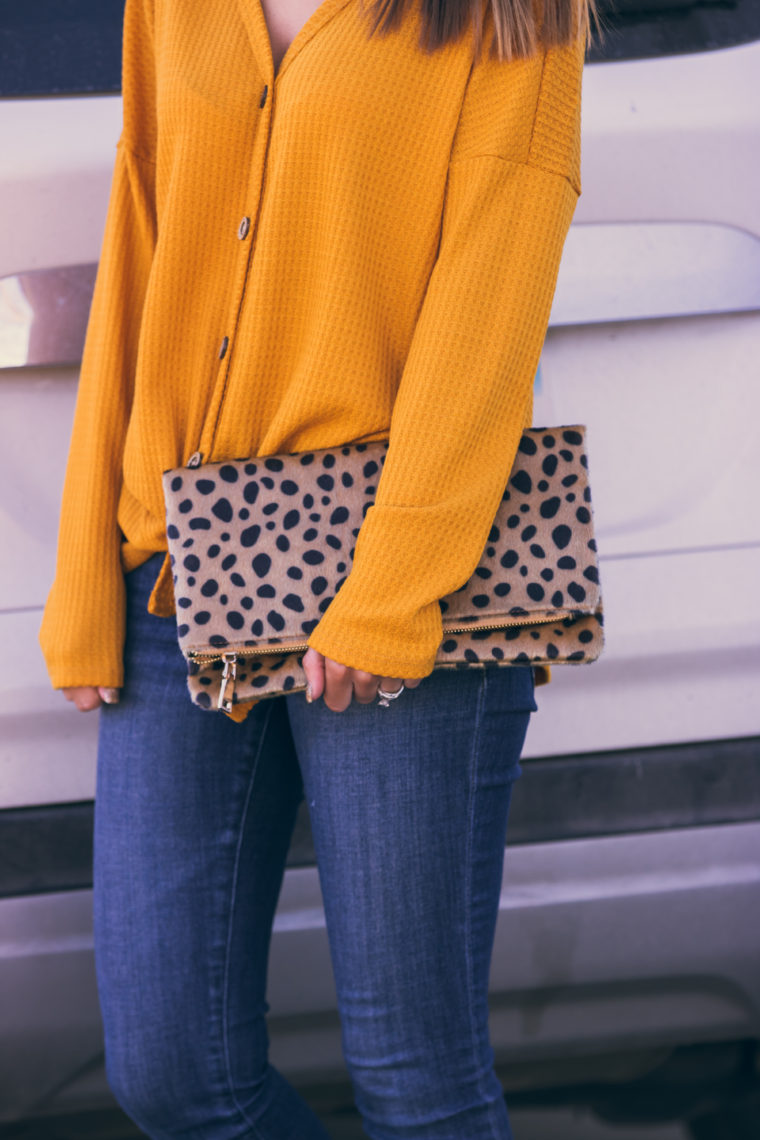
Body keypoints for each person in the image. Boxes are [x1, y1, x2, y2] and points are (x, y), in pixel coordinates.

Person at [39, 0, 594, 1135]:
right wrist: (86, 565)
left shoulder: (506, 14)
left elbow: (488, 309)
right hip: (176, 574)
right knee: (170, 1074)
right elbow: (140, 254)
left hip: (401, 579)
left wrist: (390, 595)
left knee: (415, 1080)